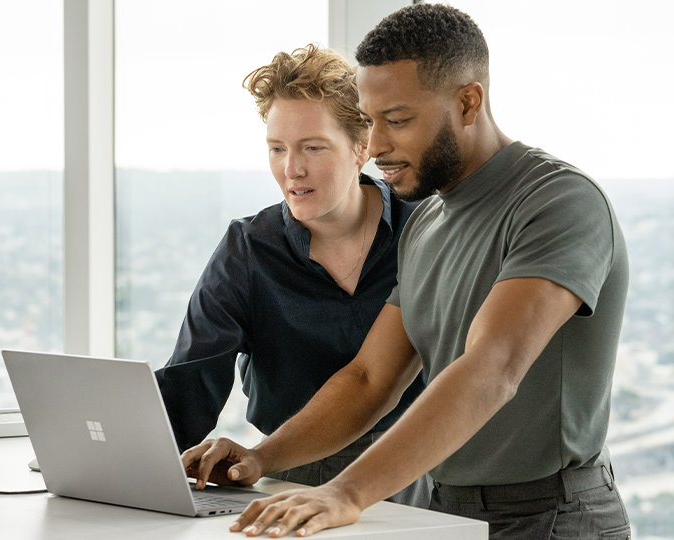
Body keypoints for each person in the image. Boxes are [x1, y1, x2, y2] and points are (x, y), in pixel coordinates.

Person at [183, 4, 631, 539]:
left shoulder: (557, 201)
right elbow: (371, 379)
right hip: (444, 513)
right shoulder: (427, 224)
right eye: (370, 123)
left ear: (468, 102)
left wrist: (345, 491)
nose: (376, 146)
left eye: (397, 121)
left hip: (554, 517)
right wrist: (261, 458)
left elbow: (492, 367)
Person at [155, 43, 430, 507]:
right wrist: (123, 458)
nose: (291, 169)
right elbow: (190, 384)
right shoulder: (247, 249)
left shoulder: (424, 229)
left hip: (416, 470)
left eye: (313, 148)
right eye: (277, 148)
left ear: (361, 146)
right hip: (289, 474)